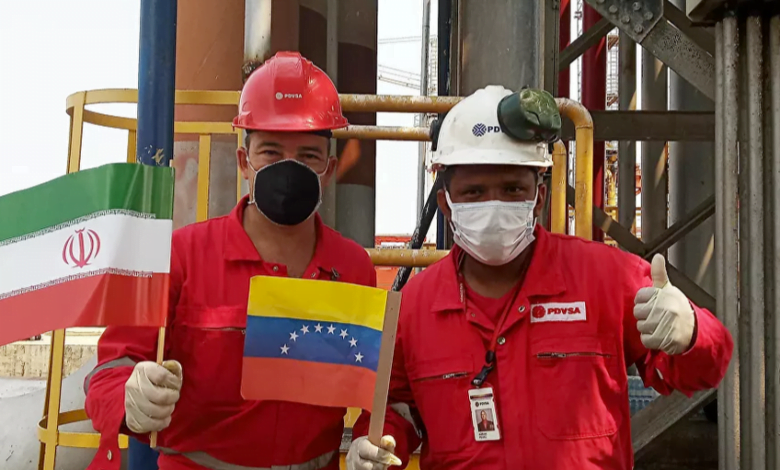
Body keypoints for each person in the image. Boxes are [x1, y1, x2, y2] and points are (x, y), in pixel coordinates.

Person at [345, 85, 733, 470]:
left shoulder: (606, 279)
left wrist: (693, 334)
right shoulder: (415, 307)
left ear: (540, 197)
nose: (493, 206)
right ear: (446, 203)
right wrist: (373, 441)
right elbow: (396, 407)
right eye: (474, 192)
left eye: (512, 189)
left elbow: (707, 369)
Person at [84, 51, 377, 470]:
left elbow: (377, 388)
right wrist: (128, 394)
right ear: (244, 162)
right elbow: (110, 369)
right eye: (271, 152)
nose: (289, 169)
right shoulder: (181, 257)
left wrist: (371, 438)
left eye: (308, 156)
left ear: (329, 169)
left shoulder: (353, 269)